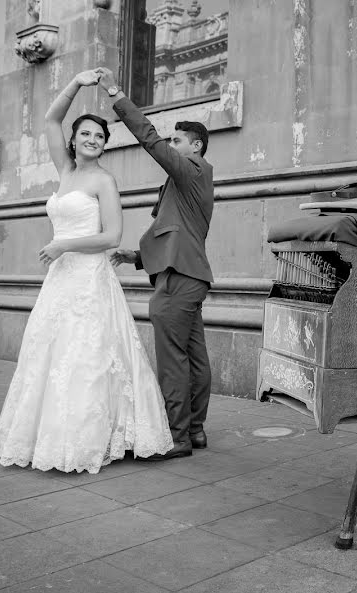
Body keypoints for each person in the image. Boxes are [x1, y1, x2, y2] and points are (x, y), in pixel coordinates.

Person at [0, 71, 175, 474]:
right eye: (86, 134)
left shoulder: (103, 181)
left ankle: (93, 437)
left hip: (89, 276)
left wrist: (64, 245)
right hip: (61, 280)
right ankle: (49, 435)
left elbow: (111, 236)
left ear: (105, 145)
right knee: (51, 354)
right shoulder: (65, 170)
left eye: (100, 137)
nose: (92, 140)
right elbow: (51, 120)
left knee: (88, 355)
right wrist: (75, 82)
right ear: (74, 140)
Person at [96, 67, 215, 461]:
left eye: (177, 140)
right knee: (194, 357)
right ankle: (194, 431)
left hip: (178, 281)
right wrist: (135, 256)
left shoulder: (192, 170)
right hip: (187, 276)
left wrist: (116, 93)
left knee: (172, 361)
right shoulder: (188, 183)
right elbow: (172, 232)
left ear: (195, 147)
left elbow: (148, 138)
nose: (170, 144)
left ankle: (177, 437)